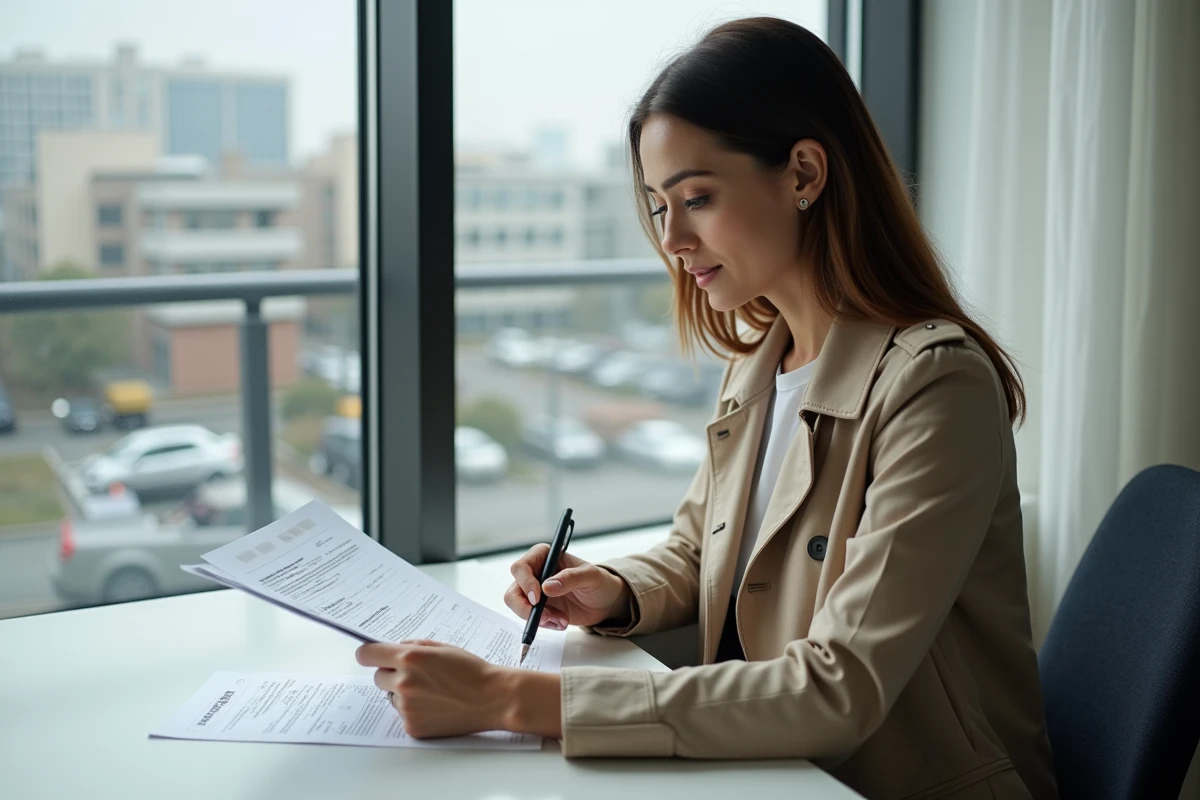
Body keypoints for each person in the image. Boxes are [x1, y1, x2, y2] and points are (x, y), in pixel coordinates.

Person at [356, 16, 1058, 800]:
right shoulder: (759, 366)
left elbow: (839, 687)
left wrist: (505, 697)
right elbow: (700, 553)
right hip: (778, 770)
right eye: (659, 206)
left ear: (803, 173)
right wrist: (613, 588)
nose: (673, 239)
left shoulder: (935, 387)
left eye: (696, 198)